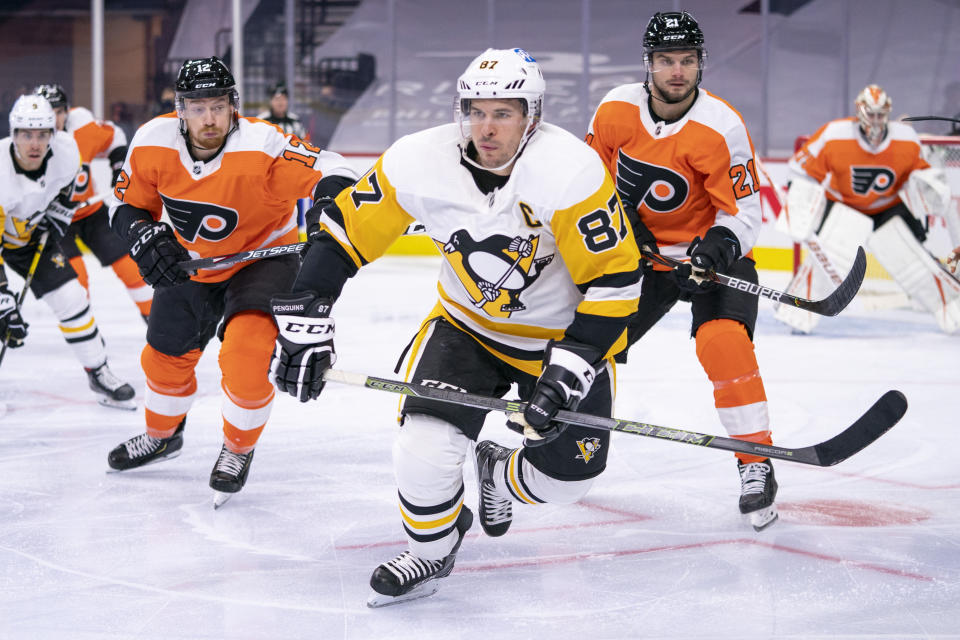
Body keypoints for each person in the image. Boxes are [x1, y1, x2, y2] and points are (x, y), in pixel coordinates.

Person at [269, 47, 642, 606]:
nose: (486, 128)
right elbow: (345, 231)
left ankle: (499, 474)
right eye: (477, 111)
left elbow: (616, 280)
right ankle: (432, 547)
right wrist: (307, 310)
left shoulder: (570, 172)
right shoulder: (418, 159)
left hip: (558, 341)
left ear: (532, 116)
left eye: (504, 113)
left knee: (568, 483)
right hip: (464, 327)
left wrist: (568, 371)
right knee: (423, 450)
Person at [105, 57, 358, 506]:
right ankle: (162, 435)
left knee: (247, 357)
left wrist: (327, 207)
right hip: (190, 262)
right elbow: (124, 205)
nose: (209, 118)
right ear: (180, 109)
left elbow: (334, 168)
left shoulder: (264, 145)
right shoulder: (151, 141)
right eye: (198, 107)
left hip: (263, 261)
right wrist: (141, 232)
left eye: (218, 106)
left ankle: (238, 448)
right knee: (162, 358)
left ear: (233, 106)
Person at [586, 11, 779, 531]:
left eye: (687, 61)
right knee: (589, 338)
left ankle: (755, 463)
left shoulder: (722, 126)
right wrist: (624, 225)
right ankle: (572, 439)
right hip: (640, 257)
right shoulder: (614, 110)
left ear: (700, 64)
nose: (677, 71)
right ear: (648, 63)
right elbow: (591, 184)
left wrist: (713, 251)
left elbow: (744, 213)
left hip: (710, 256)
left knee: (723, 342)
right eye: (666, 60)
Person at [777, 84, 959, 333]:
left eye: (880, 114)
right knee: (829, 257)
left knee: (914, 264)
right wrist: (802, 204)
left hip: (889, 208)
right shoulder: (834, 134)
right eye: (870, 114)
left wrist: (930, 185)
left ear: (888, 112)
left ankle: (954, 309)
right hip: (845, 205)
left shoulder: (905, 138)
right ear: (859, 112)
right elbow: (800, 170)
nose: (875, 120)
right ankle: (798, 312)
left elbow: (925, 174)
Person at [0, 93, 136, 408]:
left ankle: (98, 371)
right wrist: (4, 297)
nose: (34, 143)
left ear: (53, 134)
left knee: (73, 298)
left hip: (30, 238)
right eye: (25, 134)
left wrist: (59, 213)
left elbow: (66, 186)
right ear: (13, 133)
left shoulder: (66, 150)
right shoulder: (1, 174)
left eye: (42, 134)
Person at [34, 84, 153, 323]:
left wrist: (119, 166)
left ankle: (156, 319)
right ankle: (84, 330)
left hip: (91, 212)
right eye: (48, 112)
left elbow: (115, 136)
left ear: (66, 111)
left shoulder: (83, 126)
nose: (54, 118)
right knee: (77, 283)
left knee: (133, 267)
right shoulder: (30, 143)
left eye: (58, 111)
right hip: (56, 223)